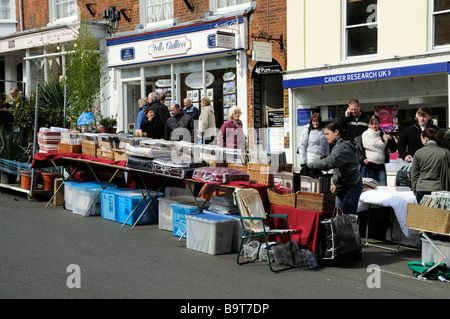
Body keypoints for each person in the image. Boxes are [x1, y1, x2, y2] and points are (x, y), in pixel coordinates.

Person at [301, 121, 363, 214]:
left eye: (327, 134)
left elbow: (329, 163)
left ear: (336, 132)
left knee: (347, 218)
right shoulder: (340, 145)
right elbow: (334, 161)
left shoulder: (342, 147)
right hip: (344, 185)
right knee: (339, 216)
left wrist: (309, 166)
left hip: (351, 186)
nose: (326, 137)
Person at [356, 115, 397, 186]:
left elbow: (393, 149)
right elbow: (358, 151)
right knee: (370, 187)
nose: (374, 126)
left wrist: (391, 140)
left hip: (381, 165)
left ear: (379, 123)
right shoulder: (363, 135)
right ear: (369, 124)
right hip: (369, 166)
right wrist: (362, 159)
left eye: (376, 124)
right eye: (371, 124)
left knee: (383, 187)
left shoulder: (385, 134)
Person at [411, 127, 450, 203]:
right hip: (439, 189)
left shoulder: (418, 153)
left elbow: (414, 174)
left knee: (422, 214)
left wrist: (415, 190)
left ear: (425, 139)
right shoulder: (444, 152)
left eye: (421, 138)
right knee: (437, 214)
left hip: (421, 188)